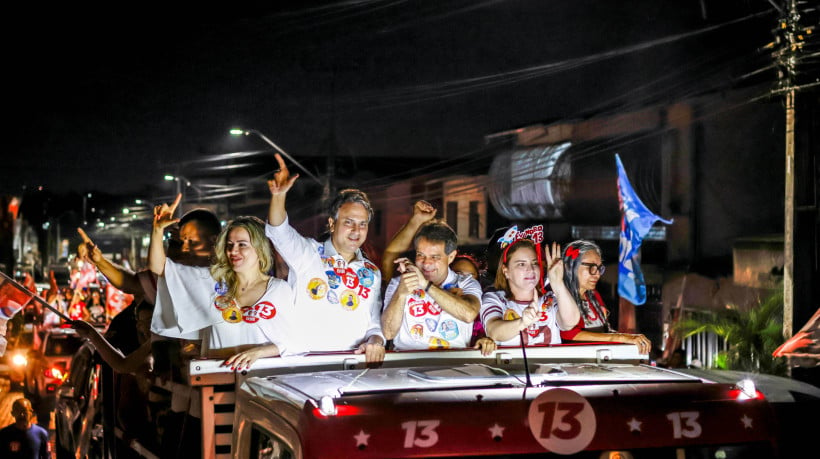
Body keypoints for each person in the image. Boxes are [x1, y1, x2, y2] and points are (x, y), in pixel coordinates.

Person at [150, 196, 298, 368]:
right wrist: (157, 230)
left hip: (259, 385)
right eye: (229, 245)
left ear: (260, 248)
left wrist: (258, 352)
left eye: (242, 245)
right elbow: (158, 267)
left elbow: (295, 342)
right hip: (214, 382)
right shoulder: (211, 283)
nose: (233, 251)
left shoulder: (279, 290)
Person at [266, 153, 385, 363]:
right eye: (349, 222)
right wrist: (279, 196)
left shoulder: (371, 272)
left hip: (352, 365)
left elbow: (373, 324)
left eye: (363, 224)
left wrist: (375, 340)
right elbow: (279, 231)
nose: (356, 230)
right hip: (305, 363)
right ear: (332, 224)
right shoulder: (308, 253)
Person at [382, 220, 483, 350]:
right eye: (420, 255)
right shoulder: (399, 282)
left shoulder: (466, 282)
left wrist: (425, 285)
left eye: (435, 257)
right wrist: (400, 294)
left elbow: (469, 314)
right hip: (407, 361)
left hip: (454, 362)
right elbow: (388, 333)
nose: (426, 263)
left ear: (451, 257)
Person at [558, 240, 652, 354]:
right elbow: (569, 333)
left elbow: (605, 331)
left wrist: (630, 338)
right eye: (591, 267)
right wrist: (622, 337)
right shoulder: (559, 296)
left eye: (599, 268)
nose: (597, 274)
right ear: (570, 267)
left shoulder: (593, 296)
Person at [481, 239, 580, 346]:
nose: (531, 269)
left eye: (535, 263)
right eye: (521, 264)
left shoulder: (549, 299)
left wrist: (558, 283)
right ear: (506, 271)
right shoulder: (495, 298)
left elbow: (570, 323)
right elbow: (493, 331)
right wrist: (522, 322)